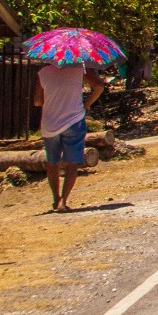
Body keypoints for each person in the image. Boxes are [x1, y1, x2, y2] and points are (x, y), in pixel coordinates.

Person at [33, 60, 106, 212]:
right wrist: (87, 103)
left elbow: (37, 101)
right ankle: (64, 201)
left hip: (50, 123)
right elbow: (99, 86)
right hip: (74, 121)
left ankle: (55, 198)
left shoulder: (43, 73)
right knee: (72, 163)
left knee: (52, 162)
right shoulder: (80, 70)